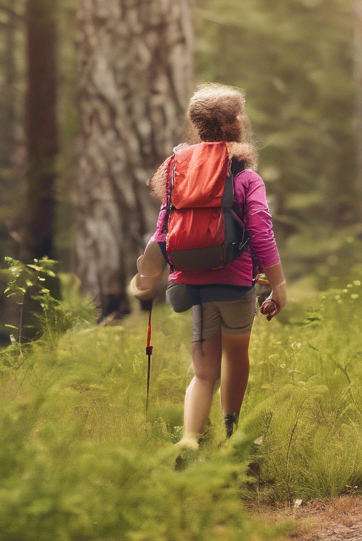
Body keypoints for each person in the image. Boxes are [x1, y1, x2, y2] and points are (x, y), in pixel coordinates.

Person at [132, 83, 287, 450]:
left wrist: (148, 271)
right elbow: (261, 232)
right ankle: (231, 437)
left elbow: (163, 229)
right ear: (237, 123)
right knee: (236, 357)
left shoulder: (177, 170)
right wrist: (277, 284)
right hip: (234, 284)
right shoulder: (246, 177)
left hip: (191, 283)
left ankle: (189, 441)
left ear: (197, 124)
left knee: (203, 373)